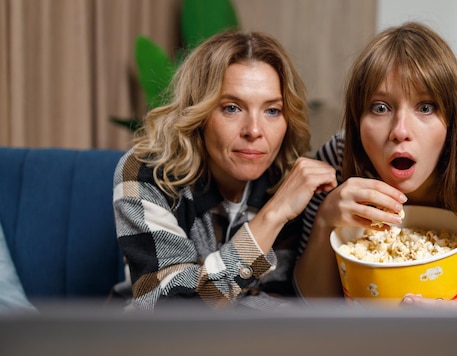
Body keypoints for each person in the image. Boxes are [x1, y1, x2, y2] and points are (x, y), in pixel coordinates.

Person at [294, 22, 457, 308]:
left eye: (425, 107)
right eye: (380, 107)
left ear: (452, 122)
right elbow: (310, 306)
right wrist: (324, 219)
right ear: (357, 121)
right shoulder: (337, 159)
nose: (400, 130)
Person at [113, 30, 337, 311]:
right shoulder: (146, 172)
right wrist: (273, 215)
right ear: (199, 113)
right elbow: (169, 312)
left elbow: (288, 301)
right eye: (232, 108)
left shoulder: (291, 179)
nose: (254, 131)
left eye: (272, 111)